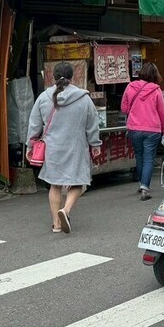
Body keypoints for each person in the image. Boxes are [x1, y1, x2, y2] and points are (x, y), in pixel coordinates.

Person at [27, 62, 101, 235]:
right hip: (76, 147)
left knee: (55, 184)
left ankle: (56, 224)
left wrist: (30, 145)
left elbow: (34, 125)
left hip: (53, 148)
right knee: (77, 182)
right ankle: (65, 211)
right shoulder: (83, 98)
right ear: (72, 77)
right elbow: (92, 124)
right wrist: (95, 143)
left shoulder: (44, 98)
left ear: (52, 76)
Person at [121, 63, 164, 201]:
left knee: (139, 156)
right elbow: (162, 113)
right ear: (155, 75)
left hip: (134, 128)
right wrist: (163, 129)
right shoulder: (156, 90)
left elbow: (124, 107)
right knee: (148, 158)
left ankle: (142, 183)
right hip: (152, 129)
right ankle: (145, 187)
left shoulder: (130, 86)